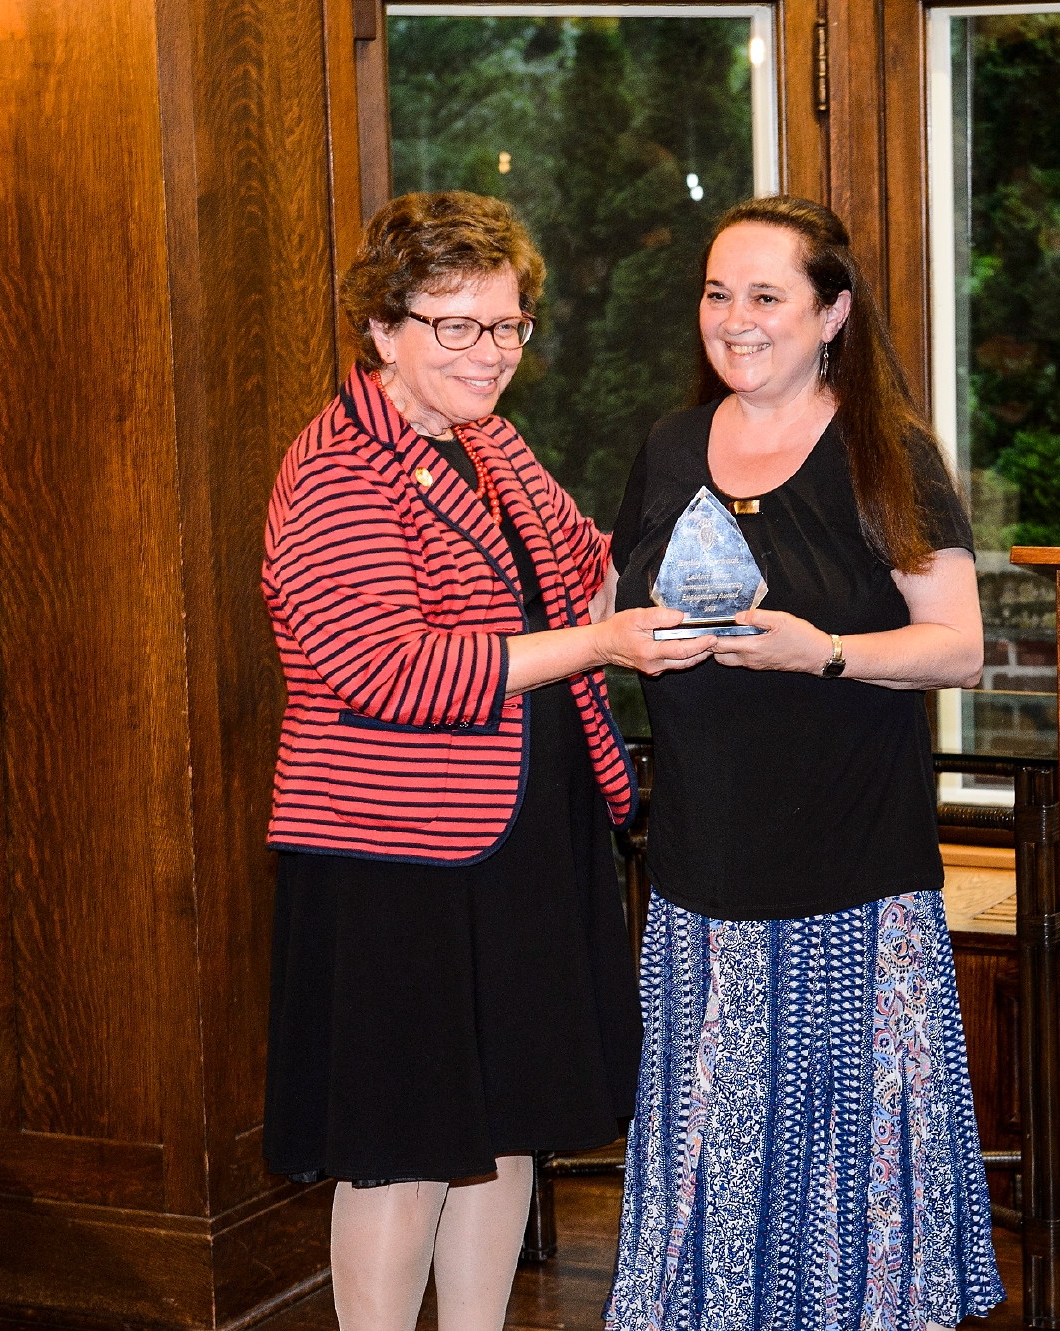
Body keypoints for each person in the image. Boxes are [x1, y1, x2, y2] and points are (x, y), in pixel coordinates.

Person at [259, 191, 714, 1331]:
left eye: (507, 325)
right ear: (383, 327)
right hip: (394, 855)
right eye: (456, 325)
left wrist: (711, 581)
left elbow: (586, 570)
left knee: (507, 1113)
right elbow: (387, 667)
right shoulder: (332, 468)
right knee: (405, 1143)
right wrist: (602, 642)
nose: (491, 353)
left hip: (526, 827)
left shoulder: (492, 443)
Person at [601, 195, 1004, 1330]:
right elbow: (610, 604)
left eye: (766, 296)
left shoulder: (887, 453)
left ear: (831, 314)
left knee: (839, 1149)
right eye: (717, 293)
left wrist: (820, 651)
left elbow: (960, 647)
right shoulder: (671, 446)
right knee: (707, 1139)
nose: (735, 320)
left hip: (849, 876)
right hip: (697, 873)